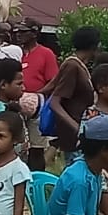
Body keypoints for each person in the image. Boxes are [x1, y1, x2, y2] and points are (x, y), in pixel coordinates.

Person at [45, 26, 99, 163]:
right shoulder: (72, 66)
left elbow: (51, 85)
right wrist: (76, 126)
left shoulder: (78, 65)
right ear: (94, 45)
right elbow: (55, 103)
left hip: (79, 131)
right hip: (74, 135)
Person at [14, 19, 57, 171]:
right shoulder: (15, 52)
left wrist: (36, 96)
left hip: (37, 106)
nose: (18, 34)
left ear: (34, 33)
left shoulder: (46, 54)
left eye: (23, 31)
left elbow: (53, 81)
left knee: (37, 148)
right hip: (14, 104)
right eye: (17, 31)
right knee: (15, 146)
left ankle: (36, 180)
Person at [0, 58, 24, 161]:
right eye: (19, 84)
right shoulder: (1, 111)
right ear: (3, 85)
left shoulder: (5, 107)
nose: (23, 88)